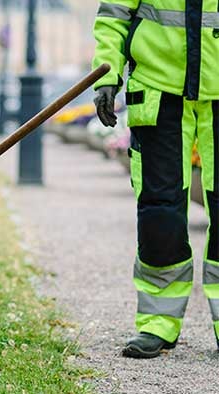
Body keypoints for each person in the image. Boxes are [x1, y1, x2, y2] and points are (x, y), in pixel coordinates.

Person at [93, 0, 219, 358]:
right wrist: (106, 75)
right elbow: (113, 17)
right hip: (158, 93)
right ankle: (157, 323)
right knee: (159, 213)